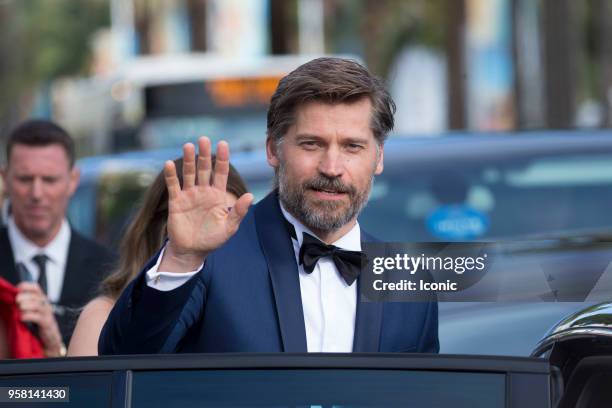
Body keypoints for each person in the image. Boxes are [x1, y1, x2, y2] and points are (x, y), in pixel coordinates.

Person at [100, 57, 439, 354]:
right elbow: (124, 358)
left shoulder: (408, 277)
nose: (332, 167)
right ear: (273, 151)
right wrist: (181, 258)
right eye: (311, 144)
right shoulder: (209, 260)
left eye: (352, 147)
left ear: (378, 157)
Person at [67, 157, 248, 356]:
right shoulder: (104, 317)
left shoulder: (255, 311)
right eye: (196, 220)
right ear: (161, 229)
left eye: (226, 216)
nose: (211, 236)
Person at [0, 120, 115, 356]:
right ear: (5, 179)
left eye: (49, 180)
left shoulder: (109, 270)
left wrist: (56, 348)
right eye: (25, 179)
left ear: (73, 181)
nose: (37, 194)